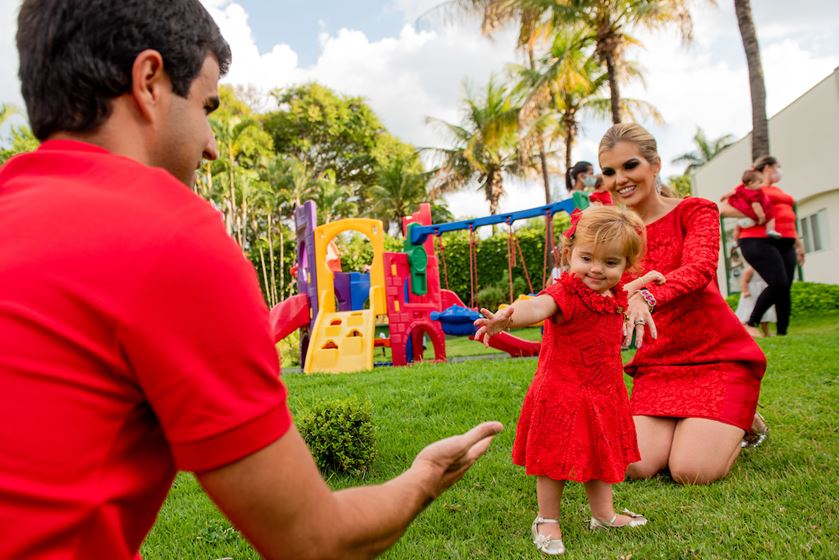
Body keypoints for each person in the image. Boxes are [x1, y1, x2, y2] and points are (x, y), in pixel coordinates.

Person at [0, 1, 502, 558]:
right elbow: (315, 541)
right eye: (207, 106)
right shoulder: (169, 238)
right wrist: (423, 478)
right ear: (149, 82)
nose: (211, 144)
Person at [474, 206, 661, 555]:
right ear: (569, 253)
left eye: (610, 263)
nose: (596, 269)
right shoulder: (565, 294)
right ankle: (546, 519)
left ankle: (603, 515)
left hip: (603, 392)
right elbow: (536, 306)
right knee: (553, 460)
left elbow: (624, 286)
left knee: (600, 455)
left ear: (623, 266)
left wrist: (647, 279)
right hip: (562, 391)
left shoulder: (615, 293)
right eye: (587, 258)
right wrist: (508, 317)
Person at [598, 123, 766, 485]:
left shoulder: (696, 210)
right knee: (634, 466)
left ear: (655, 164)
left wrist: (646, 295)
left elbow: (699, 268)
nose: (620, 179)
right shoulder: (613, 236)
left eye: (630, 166)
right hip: (658, 364)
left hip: (717, 357)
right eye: (609, 172)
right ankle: (704, 421)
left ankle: (745, 420)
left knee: (692, 470)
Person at [721, 155, 804, 337]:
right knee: (778, 283)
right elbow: (726, 208)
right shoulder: (750, 187)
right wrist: (757, 214)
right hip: (758, 239)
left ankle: (783, 332)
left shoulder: (778, 191)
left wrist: (799, 244)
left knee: (785, 288)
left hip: (786, 240)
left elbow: (788, 217)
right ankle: (752, 322)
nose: (779, 171)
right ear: (768, 168)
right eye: (778, 166)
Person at [727, 169, 782, 239]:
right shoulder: (754, 194)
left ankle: (735, 240)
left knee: (738, 227)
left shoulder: (742, 189)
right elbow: (756, 206)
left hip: (742, 220)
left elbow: (732, 193)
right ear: (751, 183)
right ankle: (770, 230)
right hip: (751, 221)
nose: (762, 185)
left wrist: (725, 196)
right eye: (760, 182)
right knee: (771, 218)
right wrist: (761, 217)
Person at [736, 266, 776, 337]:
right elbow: (744, 281)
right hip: (752, 295)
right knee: (750, 313)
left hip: (763, 293)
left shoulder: (765, 269)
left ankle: (766, 332)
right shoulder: (750, 270)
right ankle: (749, 330)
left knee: (765, 314)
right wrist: (746, 291)